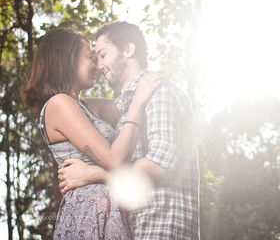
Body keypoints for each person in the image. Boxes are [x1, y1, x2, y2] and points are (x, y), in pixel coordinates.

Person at [58, 21, 200, 239]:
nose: (99, 64)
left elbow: (162, 163)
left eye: (103, 54)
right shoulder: (130, 104)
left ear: (128, 49)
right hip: (139, 226)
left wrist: (93, 174)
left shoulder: (157, 90)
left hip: (161, 226)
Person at [23, 28, 160, 239]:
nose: (96, 65)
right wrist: (139, 103)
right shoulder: (59, 104)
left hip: (111, 207)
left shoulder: (85, 105)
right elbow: (113, 159)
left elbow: (125, 101)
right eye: (89, 57)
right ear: (66, 60)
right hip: (89, 212)